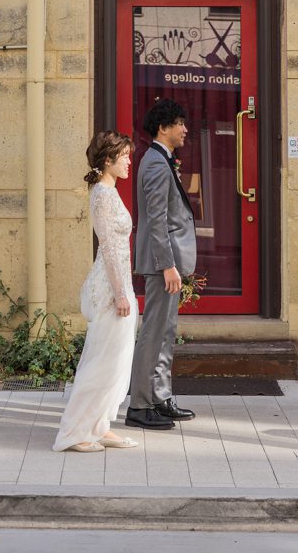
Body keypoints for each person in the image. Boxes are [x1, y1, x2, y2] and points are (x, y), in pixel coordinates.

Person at [52, 131, 139, 453]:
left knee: (115, 361)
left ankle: (99, 425)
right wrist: (120, 294)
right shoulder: (102, 194)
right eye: (124, 156)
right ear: (108, 160)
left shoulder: (109, 192)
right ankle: (74, 432)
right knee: (102, 361)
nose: (129, 162)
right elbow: (109, 247)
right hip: (110, 286)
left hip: (119, 282)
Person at [126, 99, 197, 430]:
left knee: (166, 331)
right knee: (154, 332)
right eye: (179, 123)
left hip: (167, 262)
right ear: (162, 128)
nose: (185, 129)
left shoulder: (162, 159)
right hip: (161, 263)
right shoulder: (155, 163)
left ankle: (160, 397)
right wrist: (168, 265)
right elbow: (156, 219)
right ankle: (140, 405)